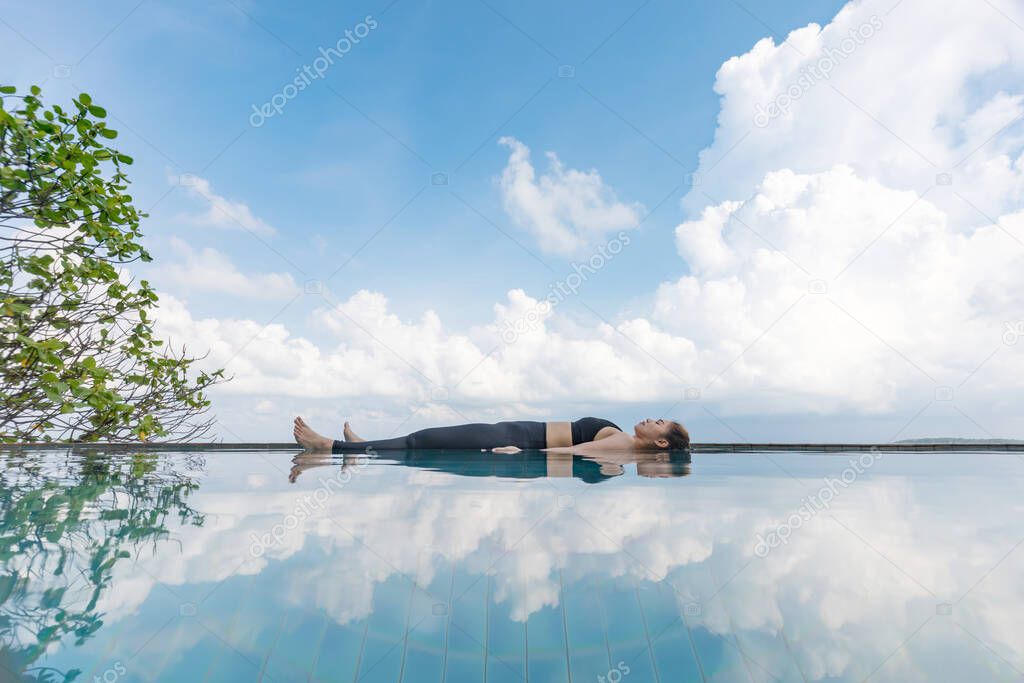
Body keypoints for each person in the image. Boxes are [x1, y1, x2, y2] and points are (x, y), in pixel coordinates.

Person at [291, 416, 689, 454]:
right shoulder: (625, 447)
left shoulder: (623, 444)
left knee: (423, 442)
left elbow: (577, 452)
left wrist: (523, 452)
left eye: (659, 423)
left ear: (660, 442)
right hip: (520, 434)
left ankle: (331, 445)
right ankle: (359, 445)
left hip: (521, 439)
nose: (650, 419)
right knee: (424, 440)